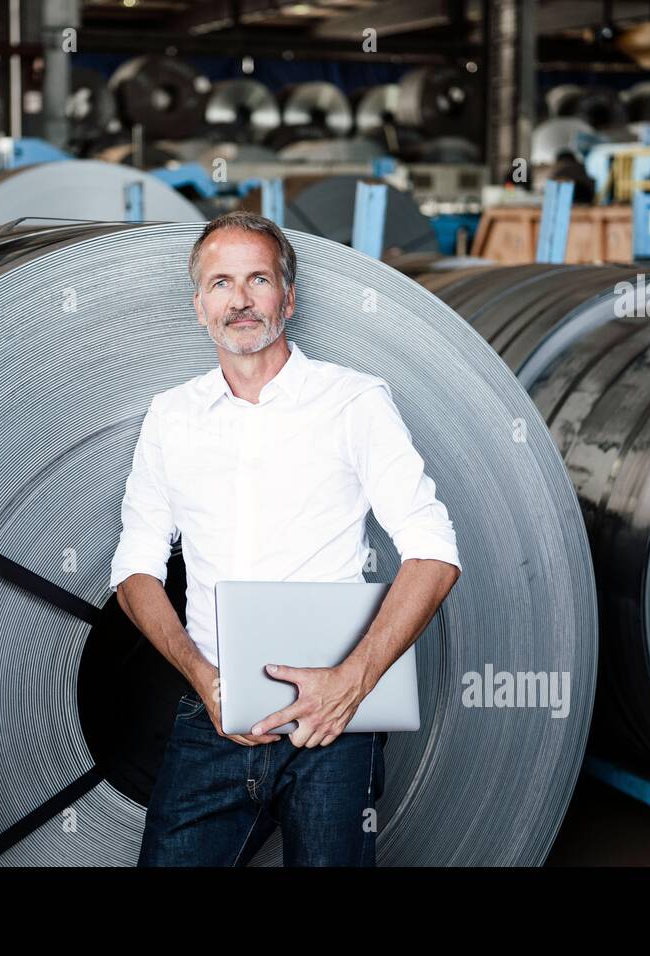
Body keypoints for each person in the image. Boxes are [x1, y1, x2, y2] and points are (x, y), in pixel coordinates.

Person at [109, 210, 462, 867]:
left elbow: (434, 552)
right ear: (198, 306)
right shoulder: (171, 417)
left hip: (332, 724)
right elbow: (135, 569)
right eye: (220, 283)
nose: (240, 300)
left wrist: (353, 682)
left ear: (288, 298)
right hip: (214, 716)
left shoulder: (354, 403)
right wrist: (201, 676)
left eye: (258, 279)